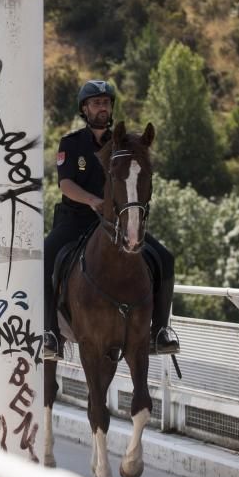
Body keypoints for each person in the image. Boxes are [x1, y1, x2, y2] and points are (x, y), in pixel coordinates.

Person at [43, 80, 180, 360]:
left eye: (106, 102)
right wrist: (92, 200)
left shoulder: (123, 144)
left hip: (114, 221)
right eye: (96, 103)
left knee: (164, 258)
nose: (102, 107)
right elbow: (66, 184)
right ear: (85, 108)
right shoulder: (71, 143)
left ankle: (160, 331)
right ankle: (50, 334)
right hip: (77, 218)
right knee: (46, 257)